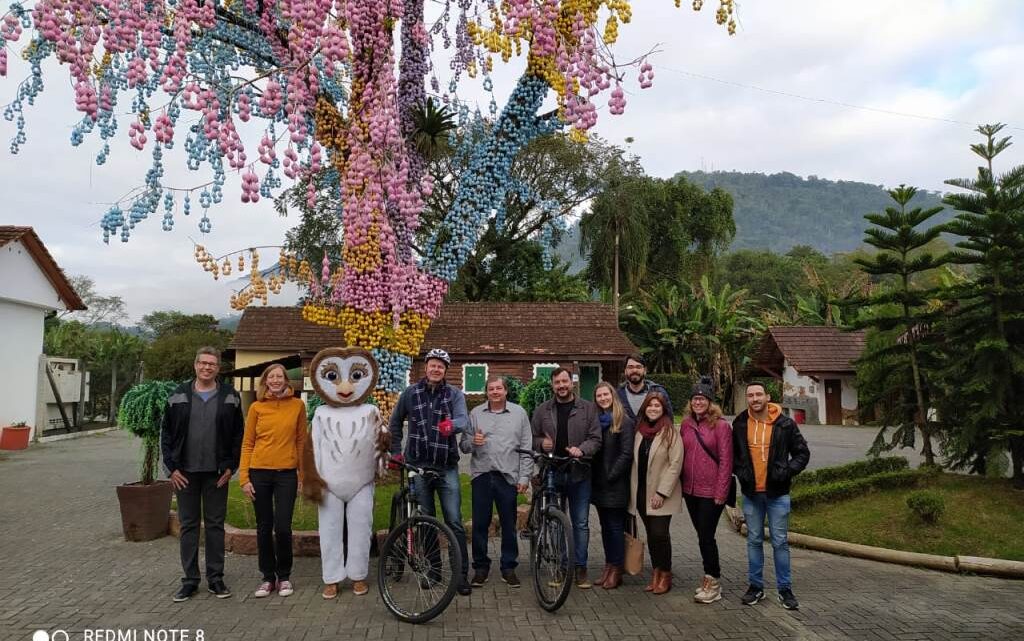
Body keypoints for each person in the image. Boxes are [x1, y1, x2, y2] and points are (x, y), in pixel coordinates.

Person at [160, 346, 244, 603]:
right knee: (189, 526)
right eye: (203, 363)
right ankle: (190, 580)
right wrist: (171, 468)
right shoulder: (177, 395)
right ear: (195, 365)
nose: (207, 367)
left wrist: (231, 466)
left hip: (216, 474)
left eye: (212, 364)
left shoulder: (230, 396)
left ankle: (216, 579)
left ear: (218, 368)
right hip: (185, 474)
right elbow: (167, 434)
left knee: (216, 526)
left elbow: (237, 435)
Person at [388, 348, 472, 595]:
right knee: (425, 522)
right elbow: (394, 422)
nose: (436, 369)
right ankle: (433, 571)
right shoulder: (410, 393)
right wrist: (396, 451)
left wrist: (451, 426)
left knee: (454, 521)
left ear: (446, 370)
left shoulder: (454, 394)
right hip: (418, 466)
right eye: (433, 365)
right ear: (426, 367)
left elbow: (463, 420)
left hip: (446, 467)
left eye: (441, 366)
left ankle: (460, 576)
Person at [733, 382, 810, 611]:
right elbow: (735, 455)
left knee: (780, 542)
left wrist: (786, 471)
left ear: (767, 396)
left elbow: (802, 453)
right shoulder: (739, 423)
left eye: (759, 394)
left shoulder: (785, 424)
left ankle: (785, 589)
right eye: (750, 395)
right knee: (754, 540)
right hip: (751, 494)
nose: (755, 398)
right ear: (747, 399)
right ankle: (756, 586)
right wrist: (741, 471)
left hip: (778, 494)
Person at [238, 363, 306, 598]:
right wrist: (244, 478)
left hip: (286, 474)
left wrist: (302, 474)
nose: (276, 380)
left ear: (286, 381)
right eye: (271, 377)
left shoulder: (297, 406)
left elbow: (301, 442)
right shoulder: (256, 408)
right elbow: (247, 444)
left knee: (283, 527)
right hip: (259, 473)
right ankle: (267, 578)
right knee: (264, 527)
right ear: (265, 381)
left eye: (280, 376)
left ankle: (284, 576)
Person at [531, 367, 602, 588]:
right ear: (552, 385)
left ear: (571, 383)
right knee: (556, 523)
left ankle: (580, 568)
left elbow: (596, 438)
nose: (561, 386)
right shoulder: (542, 410)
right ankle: (562, 568)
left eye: (564, 381)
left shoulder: (588, 409)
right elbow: (532, 438)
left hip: (578, 471)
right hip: (552, 471)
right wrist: (541, 443)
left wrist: (582, 449)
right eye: (557, 383)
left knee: (580, 523)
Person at [460, 376, 532, 588]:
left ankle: (508, 567)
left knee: (509, 525)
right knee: (480, 525)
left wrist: (525, 476)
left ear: (506, 391)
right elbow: (463, 445)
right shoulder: (475, 414)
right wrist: (473, 441)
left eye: (499, 388)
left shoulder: (519, 413)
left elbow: (527, 448)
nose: (495, 392)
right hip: (482, 475)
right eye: (491, 389)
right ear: (487, 392)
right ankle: (480, 568)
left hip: (507, 477)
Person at [680, 376, 733, 604]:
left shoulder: (721, 426)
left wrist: (721, 492)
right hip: (690, 491)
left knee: (706, 537)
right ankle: (708, 577)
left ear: (710, 402)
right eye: (695, 399)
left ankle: (714, 580)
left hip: (711, 492)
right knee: (702, 536)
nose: (698, 403)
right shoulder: (686, 425)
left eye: (702, 399)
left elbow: (726, 461)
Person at [629, 391, 682, 595]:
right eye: (650, 406)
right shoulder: (638, 431)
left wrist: (661, 493)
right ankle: (656, 572)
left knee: (660, 533)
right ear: (645, 408)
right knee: (651, 534)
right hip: (641, 492)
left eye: (657, 406)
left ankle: (666, 573)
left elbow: (675, 464)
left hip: (661, 494)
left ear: (663, 409)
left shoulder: (670, 432)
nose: (653, 409)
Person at [589, 381, 635, 590]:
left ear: (613, 395)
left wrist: (611, 475)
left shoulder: (623, 421)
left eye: (606, 394)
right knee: (606, 528)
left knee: (615, 527)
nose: (603, 399)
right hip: (598, 483)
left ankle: (617, 569)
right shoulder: (597, 421)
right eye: (599, 396)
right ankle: (608, 566)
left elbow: (626, 454)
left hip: (615, 484)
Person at [618, 354, 674, 422]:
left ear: (645, 370)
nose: (634, 370)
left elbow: (669, 419)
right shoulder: (618, 394)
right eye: (630, 367)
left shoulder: (659, 392)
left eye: (638, 367)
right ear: (625, 371)